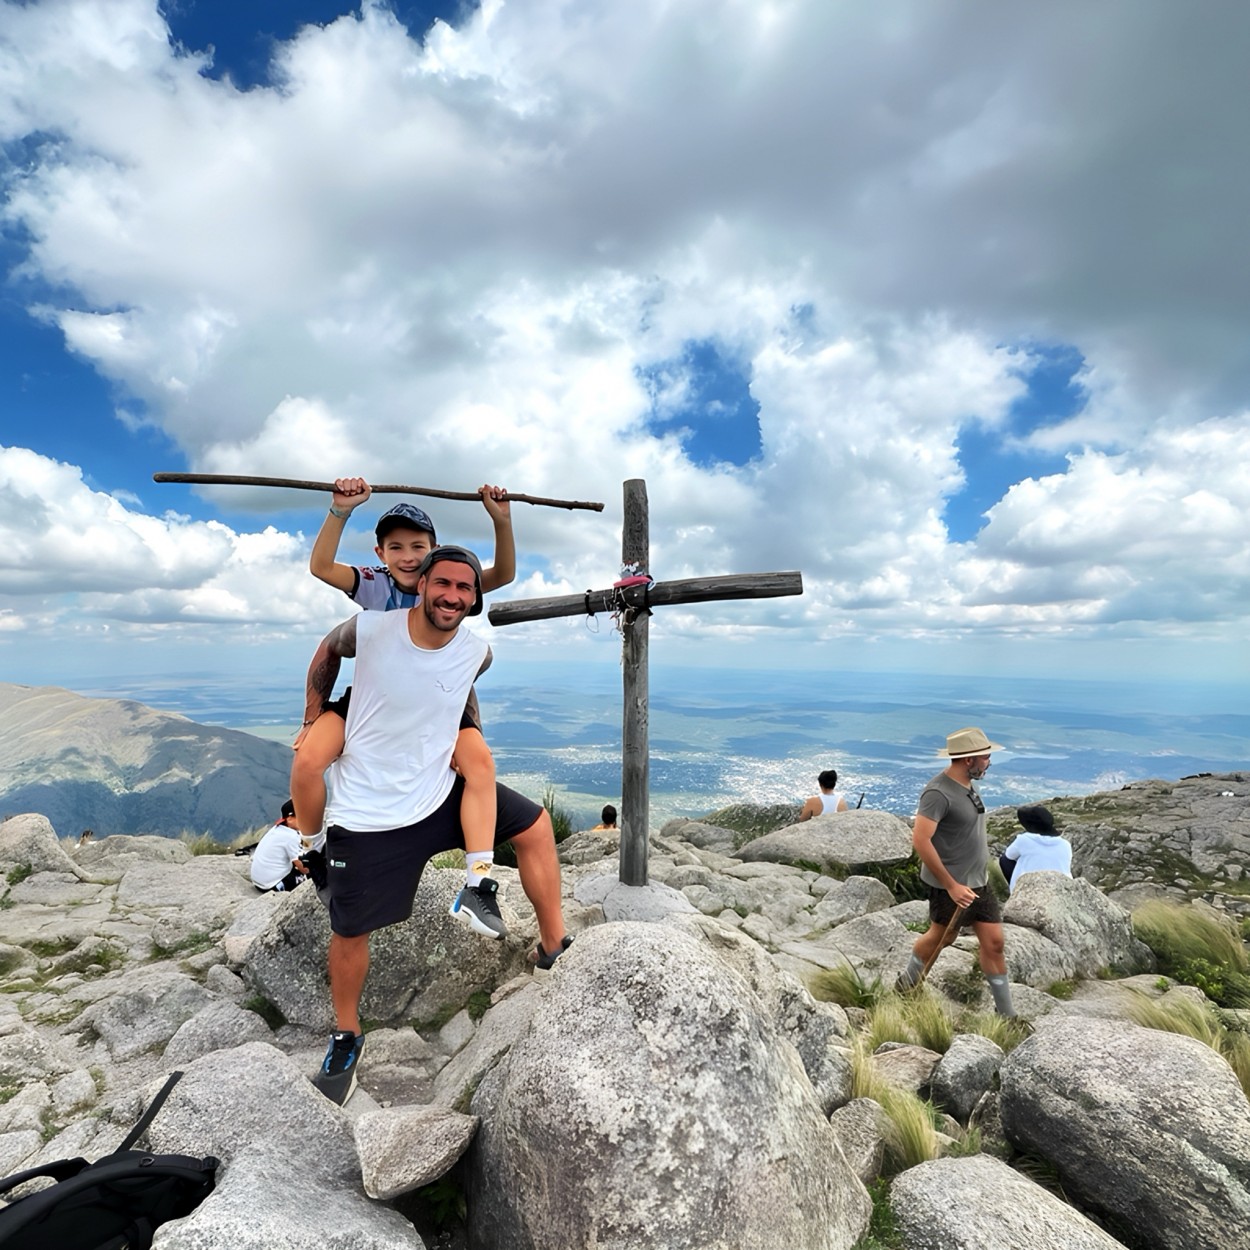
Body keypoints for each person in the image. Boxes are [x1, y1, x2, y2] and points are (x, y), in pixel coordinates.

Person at [305, 545, 571, 1105]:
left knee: (535, 826)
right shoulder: (372, 630)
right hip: (368, 813)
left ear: (475, 599)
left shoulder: (478, 650)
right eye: (443, 583)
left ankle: (553, 946)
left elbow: (453, 686)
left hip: (438, 791)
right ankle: (346, 1035)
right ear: (421, 584)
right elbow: (328, 652)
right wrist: (317, 714)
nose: (453, 595)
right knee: (350, 930)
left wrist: (465, 737)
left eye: (465, 588)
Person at [291, 477, 516, 939]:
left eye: (418, 546)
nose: (408, 556)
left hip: (440, 699)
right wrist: (340, 510)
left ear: (434, 551)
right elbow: (320, 568)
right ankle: (313, 847)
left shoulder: (445, 584)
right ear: (380, 555)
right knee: (309, 759)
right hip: (373, 702)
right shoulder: (373, 586)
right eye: (396, 547)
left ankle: (478, 884)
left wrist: (501, 520)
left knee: (480, 765)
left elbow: (502, 575)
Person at [895, 727, 1017, 1017]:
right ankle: (906, 987)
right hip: (951, 886)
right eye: (985, 757)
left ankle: (1007, 1016)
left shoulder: (968, 784)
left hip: (979, 883)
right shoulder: (937, 793)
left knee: (995, 943)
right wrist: (950, 885)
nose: (989, 762)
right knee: (941, 938)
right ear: (968, 760)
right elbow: (920, 840)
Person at [999, 804, 1072, 893]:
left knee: (1004, 860)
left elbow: (1008, 856)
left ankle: (1015, 891)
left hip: (1030, 889)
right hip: (1060, 891)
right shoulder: (1065, 845)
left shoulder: (1024, 839)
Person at [249, 800, 309, 893]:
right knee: (309, 875)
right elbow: (302, 867)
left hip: (259, 882)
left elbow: (304, 841)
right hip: (271, 886)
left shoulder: (278, 829)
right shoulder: (291, 837)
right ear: (289, 818)